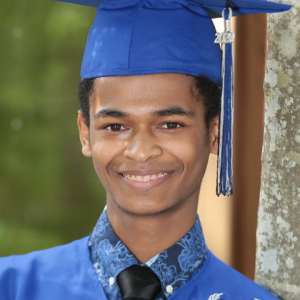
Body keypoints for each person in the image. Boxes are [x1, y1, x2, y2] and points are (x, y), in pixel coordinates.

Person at [0, 0, 291, 299]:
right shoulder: (11, 287)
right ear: (85, 133)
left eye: (170, 124)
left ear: (215, 133)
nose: (140, 152)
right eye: (115, 127)